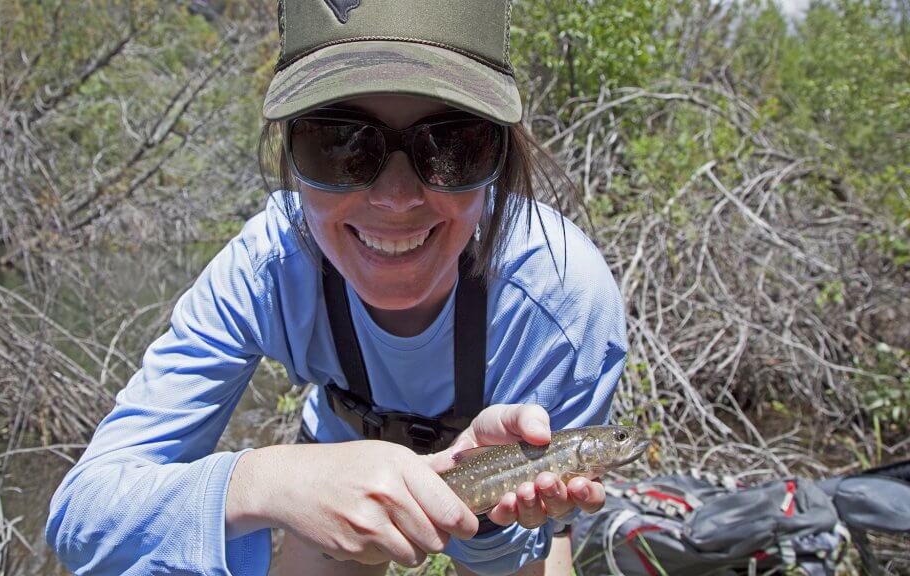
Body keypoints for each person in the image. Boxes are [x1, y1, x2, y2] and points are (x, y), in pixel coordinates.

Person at [45, 1, 627, 575]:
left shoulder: (560, 301)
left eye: (452, 147)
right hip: (331, 464)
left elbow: (496, 560)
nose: (395, 200)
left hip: (489, 515)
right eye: (339, 144)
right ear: (291, 150)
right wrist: (269, 482)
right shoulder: (269, 266)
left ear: (501, 154)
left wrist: (491, 521)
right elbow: (85, 515)